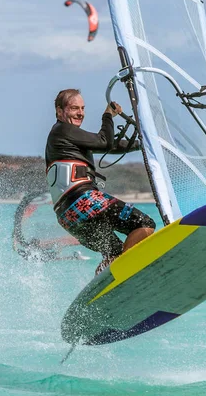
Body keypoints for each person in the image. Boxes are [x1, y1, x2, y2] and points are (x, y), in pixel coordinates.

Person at [45, 89, 155, 275]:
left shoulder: (65, 138)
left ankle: (106, 285)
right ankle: (123, 275)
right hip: (85, 201)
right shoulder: (63, 129)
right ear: (59, 111)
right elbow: (104, 141)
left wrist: (142, 144)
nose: (80, 113)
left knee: (115, 253)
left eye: (82, 108)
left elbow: (107, 144)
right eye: (74, 108)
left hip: (68, 217)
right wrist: (107, 116)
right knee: (144, 224)